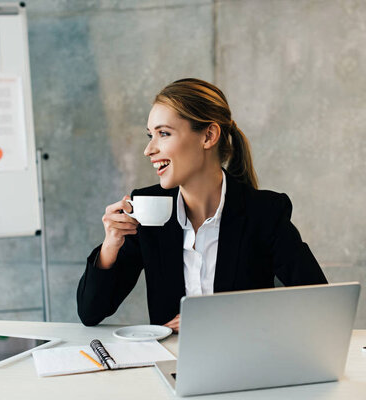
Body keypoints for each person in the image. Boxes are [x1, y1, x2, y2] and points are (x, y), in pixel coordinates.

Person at [77, 78, 327, 332]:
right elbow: (90, 312)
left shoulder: (265, 213)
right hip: (172, 364)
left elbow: (321, 306)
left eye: (163, 134)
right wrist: (110, 246)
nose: (148, 149)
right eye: (150, 135)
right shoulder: (147, 209)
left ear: (208, 136)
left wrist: (215, 320)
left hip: (244, 364)